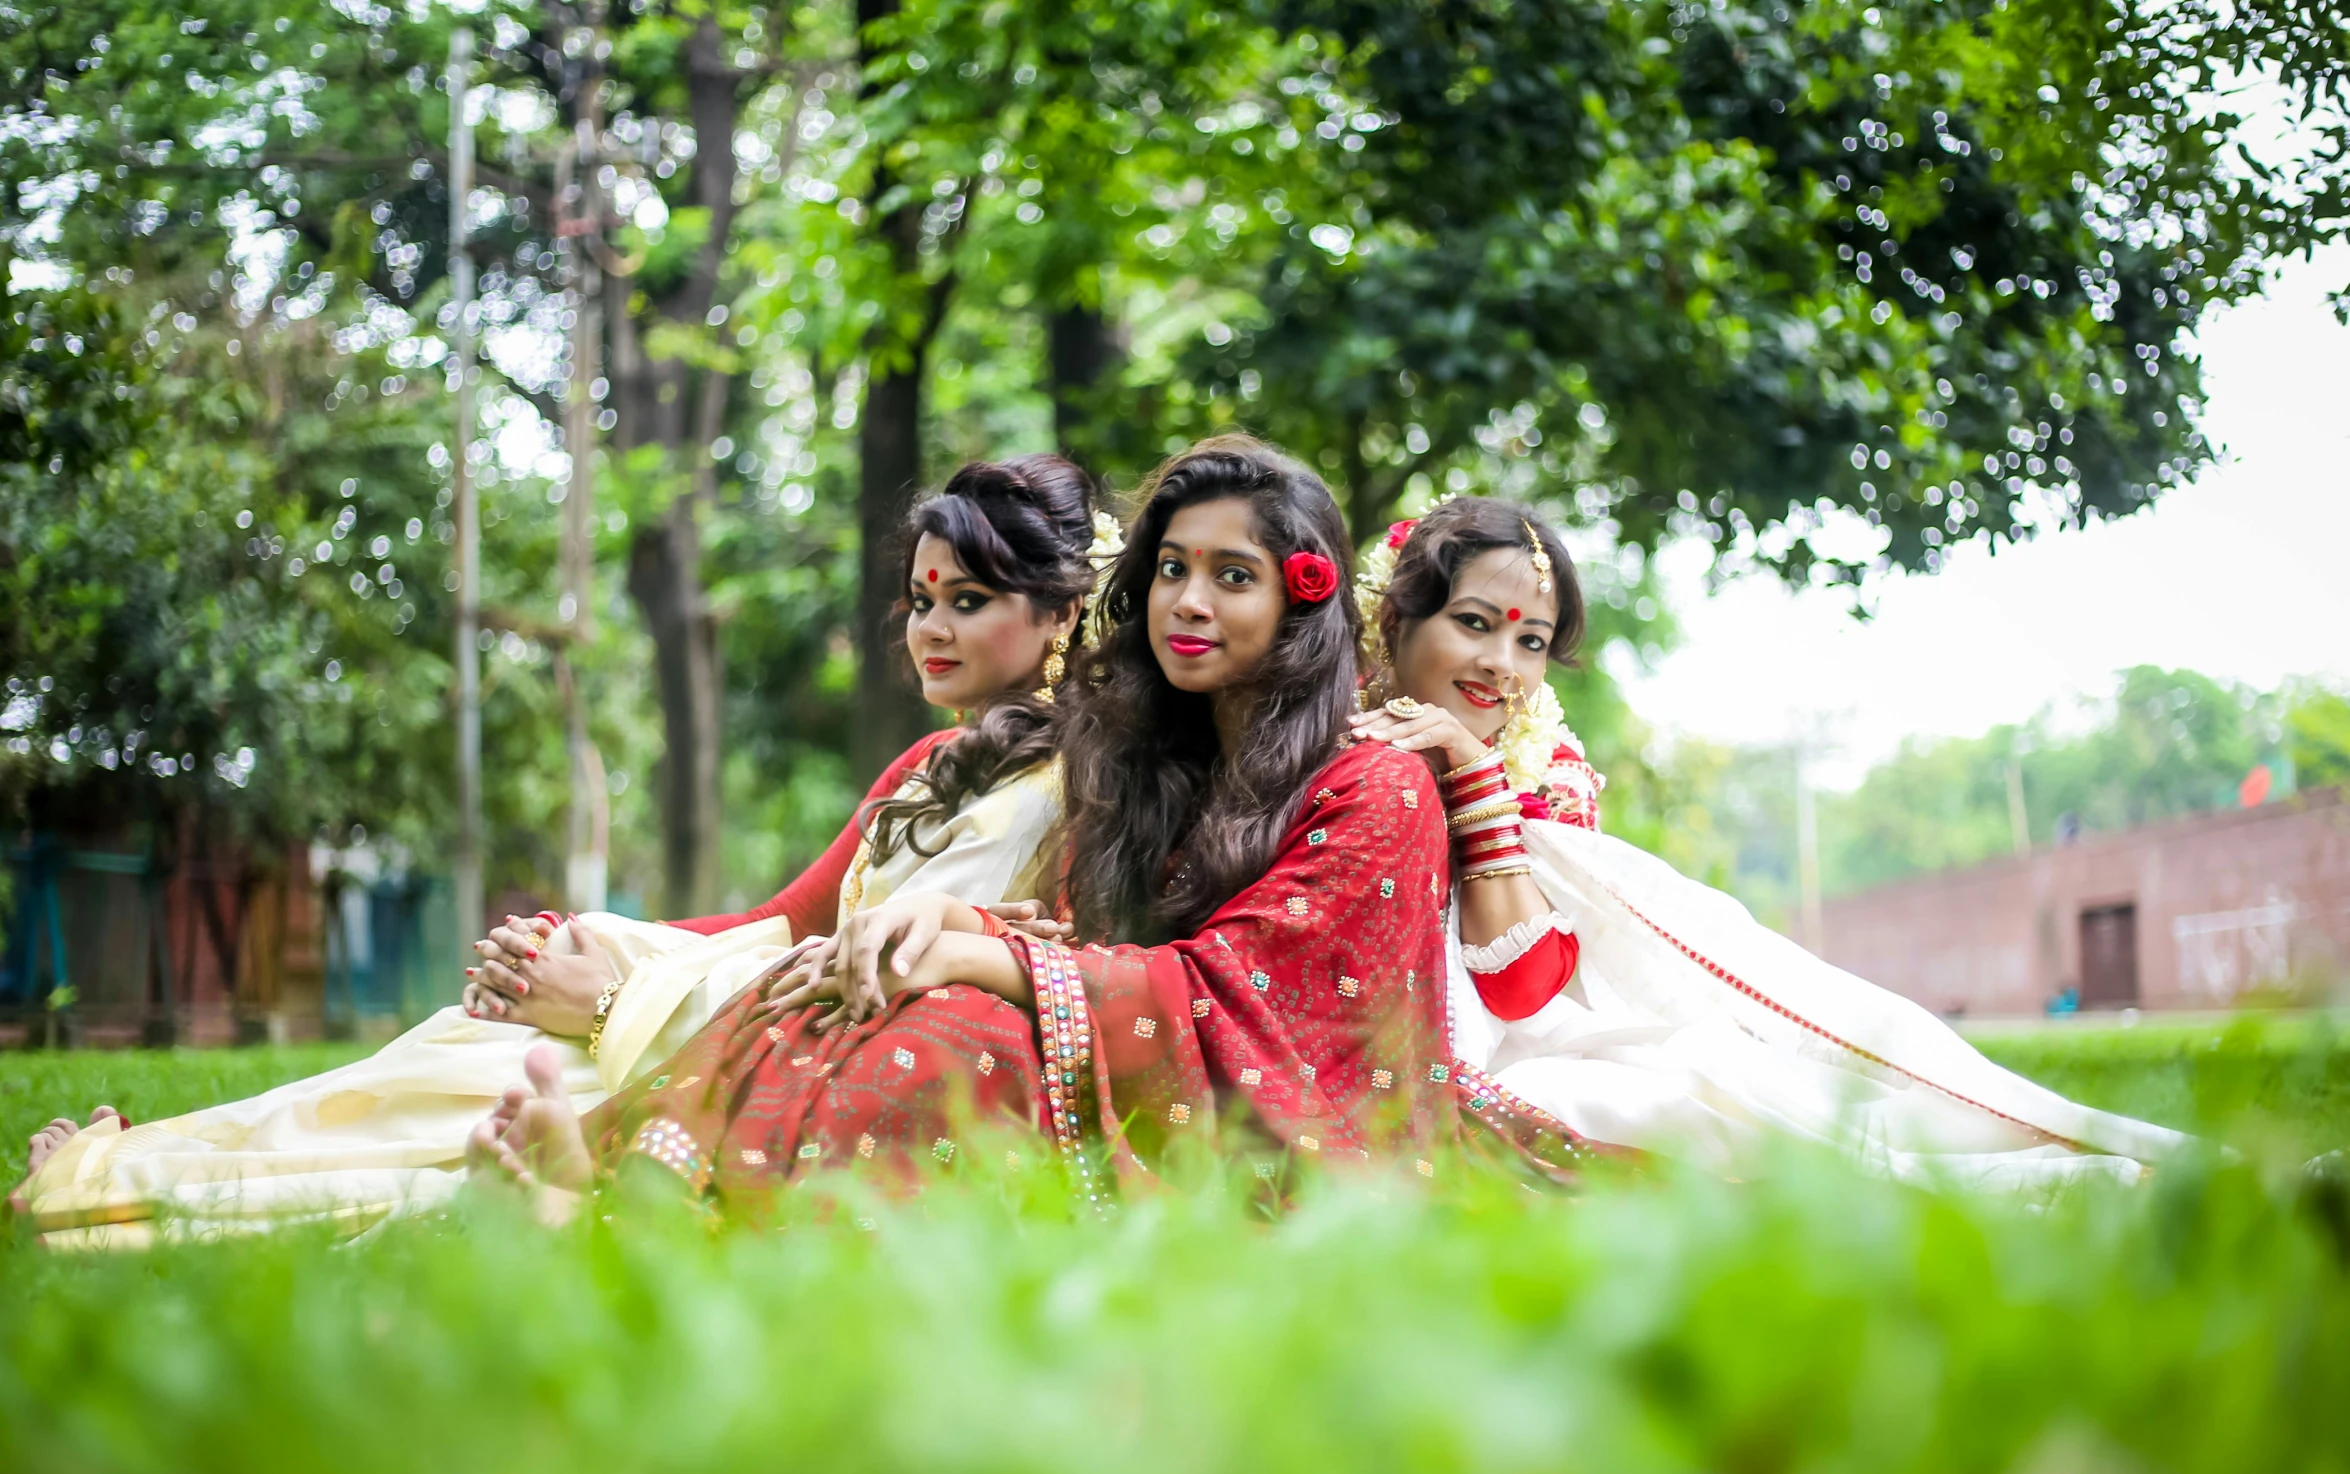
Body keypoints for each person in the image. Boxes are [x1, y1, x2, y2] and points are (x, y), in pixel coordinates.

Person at [469, 436, 1597, 1218]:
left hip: (1268, 1118)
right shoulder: (1151, 764)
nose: (1189, 602)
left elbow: (1242, 1000)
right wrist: (956, 928)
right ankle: (635, 1191)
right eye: (1172, 571)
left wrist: (987, 962)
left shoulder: (1378, 787)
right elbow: (1088, 939)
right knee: (829, 985)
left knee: (959, 1034)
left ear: (1301, 603)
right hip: (1132, 1051)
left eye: (1232, 577)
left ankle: (693, 1216)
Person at [15, 455, 1107, 1245]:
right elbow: (778, 918)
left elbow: (969, 970)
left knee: (477, 1102)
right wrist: (573, 950)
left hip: (813, 1054)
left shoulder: (1089, 787)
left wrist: (604, 1004)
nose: (931, 628)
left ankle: (119, 1189)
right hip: (746, 997)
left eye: (970, 602)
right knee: (457, 1045)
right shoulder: (926, 766)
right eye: (921, 600)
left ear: (1060, 617)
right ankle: (127, 1158)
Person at [1348, 496, 2190, 1191]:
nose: (1503, 664)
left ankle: (2095, 1178)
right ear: (1396, 617)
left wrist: (1473, 787)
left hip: (1559, 1036)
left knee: (1770, 1095)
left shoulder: (1540, 770)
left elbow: (1526, 989)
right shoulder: (1327, 747)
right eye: (1474, 623)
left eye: (1531, 641)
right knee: (1637, 1112)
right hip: (1406, 1063)